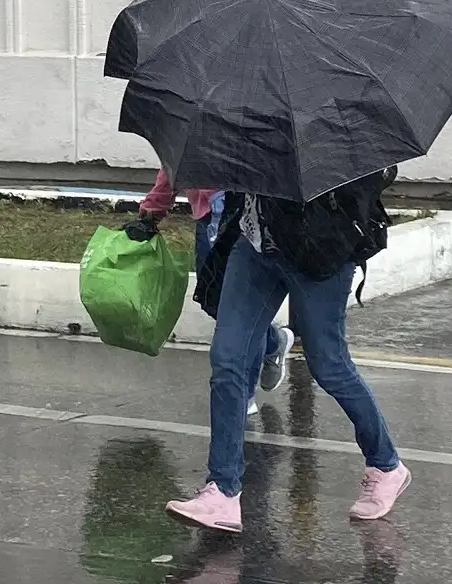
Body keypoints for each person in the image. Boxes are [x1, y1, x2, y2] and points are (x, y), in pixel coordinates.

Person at [165, 175, 409, 532]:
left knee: (329, 364)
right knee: (228, 359)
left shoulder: (330, 127)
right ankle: (222, 491)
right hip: (255, 244)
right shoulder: (248, 121)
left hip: (319, 246)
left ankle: (386, 465)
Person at [136, 169, 295, 417]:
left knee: (244, 307)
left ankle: (244, 392)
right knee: (216, 302)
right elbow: (177, 162)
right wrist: (155, 207)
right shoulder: (194, 130)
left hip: (242, 214)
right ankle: (274, 343)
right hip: (207, 217)